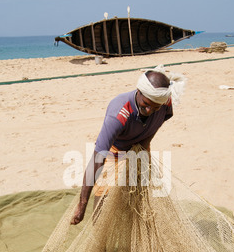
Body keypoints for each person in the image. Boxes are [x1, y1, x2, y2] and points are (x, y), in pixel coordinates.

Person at [70, 65, 177, 225]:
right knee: (104, 191)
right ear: (139, 91)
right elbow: (98, 157)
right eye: (146, 104)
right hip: (116, 150)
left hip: (140, 147)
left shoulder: (165, 102)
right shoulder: (118, 114)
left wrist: (145, 142)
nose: (149, 110)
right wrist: (82, 204)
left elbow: (164, 116)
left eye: (155, 107)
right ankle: (98, 231)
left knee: (138, 190)